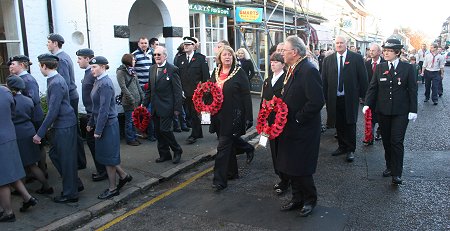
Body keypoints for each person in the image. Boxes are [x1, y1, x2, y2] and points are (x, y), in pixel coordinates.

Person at [276, 36, 324, 217]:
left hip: (303, 128)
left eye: (284, 50)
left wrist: (298, 119)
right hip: (289, 127)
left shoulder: (308, 70)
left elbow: (317, 101)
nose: (282, 53)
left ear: (294, 52)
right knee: (290, 165)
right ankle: (297, 199)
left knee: (301, 167)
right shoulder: (293, 68)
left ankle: (310, 200)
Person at [363, 38, 418, 185]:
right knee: (387, 141)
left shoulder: (408, 68)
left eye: (389, 51)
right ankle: (389, 166)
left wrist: (413, 110)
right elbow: (373, 87)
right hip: (383, 111)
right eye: (385, 50)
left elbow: (413, 90)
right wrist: (367, 103)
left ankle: (397, 173)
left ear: (397, 53)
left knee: (397, 141)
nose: (386, 53)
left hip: (401, 112)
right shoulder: (380, 67)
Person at [33, 54, 82, 203]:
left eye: (39, 66)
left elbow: (53, 111)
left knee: (66, 159)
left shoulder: (55, 82)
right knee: (55, 154)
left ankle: (70, 194)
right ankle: (75, 183)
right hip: (63, 124)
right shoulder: (55, 79)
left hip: (64, 125)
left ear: (44, 66)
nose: (39, 69)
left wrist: (39, 134)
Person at [87, 56, 133, 199]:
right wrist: (90, 122)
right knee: (107, 157)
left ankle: (113, 189)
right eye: (91, 67)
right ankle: (124, 176)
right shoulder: (98, 81)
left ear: (103, 67)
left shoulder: (105, 84)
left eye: (94, 67)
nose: (92, 70)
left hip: (108, 125)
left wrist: (98, 130)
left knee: (108, 158)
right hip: (101, 124)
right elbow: (95, 107)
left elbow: (104, 110)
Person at [210, 45, 253, 191]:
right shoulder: (215, 72)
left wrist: (249, 117)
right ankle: (232, 172)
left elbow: (246, 95)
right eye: (224, 55)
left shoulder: (239, 72)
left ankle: (219, 181)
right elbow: (209, 90)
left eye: (230, 55)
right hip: (218, 116)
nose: (227, 57)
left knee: (222, 148)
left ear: (233, 57)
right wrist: (204, 108)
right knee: (229, 145)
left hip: (233, 115)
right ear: (220, 58)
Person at [322, 36, 368, 162]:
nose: (339, 45)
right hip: (334, 98)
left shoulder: (356, 58)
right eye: (337, 43)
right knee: (339, 123)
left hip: (350, 98)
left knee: (350, 123)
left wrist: (365, 98)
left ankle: (350, 149)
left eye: (341, 43)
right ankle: (341, 146)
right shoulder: (328, 60)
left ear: (346, 44)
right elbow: (324, 80)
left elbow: (363, 78)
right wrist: (324, 97)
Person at [47, 33, 86, 170]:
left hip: (68, 97)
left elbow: (64, 83)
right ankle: (80, 161)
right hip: (70, 96)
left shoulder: (61, 59)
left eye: (49, 42)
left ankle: (79, 162)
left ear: (55, 43)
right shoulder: (62, 57)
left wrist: (64, 104)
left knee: (73, 130)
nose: (47, 44)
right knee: (75, 130)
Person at [7, 75, 53, 195]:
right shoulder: (28, 100)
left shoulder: (11, 100)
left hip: (18, 132)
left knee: (26, 164)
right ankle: (27, 188)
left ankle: (45, 187)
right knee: (30, 162)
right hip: (29, 129)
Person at [0, 85, 38, 222]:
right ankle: (28, 198)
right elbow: (13, 112)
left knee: (2, 179)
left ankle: (8, 212)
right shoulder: (6, 91)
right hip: (10, 134)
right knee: (11, 172)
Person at [7, 55, 47, 176]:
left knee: (38, 146)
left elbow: (33, 100)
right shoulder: (19, 79)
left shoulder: (28, 80)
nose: (10, 66)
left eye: (13, 64)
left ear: (22, 65)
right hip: (28, 118)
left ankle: (42, 171)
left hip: (34, 118)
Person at [143, 46, 184, 164]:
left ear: (165, 56)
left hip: (167, 106)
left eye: (159, 54)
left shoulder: (172, 69)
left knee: (165, 130)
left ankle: (177, 150)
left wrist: (177, 108)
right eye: (155, 55)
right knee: (158, 132)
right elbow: (150, 90)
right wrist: (144, 105)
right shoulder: (152, 69)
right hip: (155, 107)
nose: (156, 57)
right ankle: (164, 154)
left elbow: (177, 91)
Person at [76, 48, 107, 182]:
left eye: (80, 58)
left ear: (87, 59)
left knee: (95, 144)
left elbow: (97, 98)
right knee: (94, 144)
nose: (78, 61)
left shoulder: (92, 74)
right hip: (91, 114)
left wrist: (93, 120)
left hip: (93, 115)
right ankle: (103, 169)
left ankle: (103, 170)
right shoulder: (88, 73)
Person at [261, 53, 288, 195]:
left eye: (276, 62)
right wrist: (262, 119)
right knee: (274, 149)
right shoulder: (267, 80)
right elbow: (263, 100)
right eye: (271, 62)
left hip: (281, 119)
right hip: (269, 120)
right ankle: (280, 175)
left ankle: (285, 180)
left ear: (283, 65)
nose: (273, 64)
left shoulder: (286, 80)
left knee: (282, 150)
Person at [175, 36, 210, 144]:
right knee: (190, 114)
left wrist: (205, 90)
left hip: (197, 92)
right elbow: (177, 76)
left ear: (194, 46)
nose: (185, 46)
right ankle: (198, 132)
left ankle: (194, 135)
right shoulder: (180, 59)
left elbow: (205, 76)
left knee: (195, 113)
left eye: (188, 44)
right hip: (185, 92)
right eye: (184, 44)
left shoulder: (200, 58)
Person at [117, 54, 145, 146]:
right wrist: (131, 98)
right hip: (128, 101)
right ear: (128, 60)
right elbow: (123, 87)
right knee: (129, 121)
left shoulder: (132, 71)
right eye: (133, 59)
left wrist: (142, 95)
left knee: (134, 120)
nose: (134, 61)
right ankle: (130, 139)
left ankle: (134, 137)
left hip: (137, 99)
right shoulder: (121, 72)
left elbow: (137, 84)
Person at [133, 37, 157, 142]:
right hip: (141, 88)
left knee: (151, 111)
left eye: (145, 43)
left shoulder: (152, 53)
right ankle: (147, 133)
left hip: (151, 86)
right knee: (145, 111)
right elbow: (132, 70)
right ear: (138, 44)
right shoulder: (134, 55)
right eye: (142, 43)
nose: (144, 45)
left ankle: (151, 133)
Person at [364, 43, 385, 145]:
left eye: (373, 50)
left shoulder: (385, 64)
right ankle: (369, 136)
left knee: (381, 116)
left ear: (379, 52)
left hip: (382, 96)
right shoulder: (366, 64)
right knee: (370, 116)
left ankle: (380, 132)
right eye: (370, 50)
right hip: (370, 96)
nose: (370, 52)